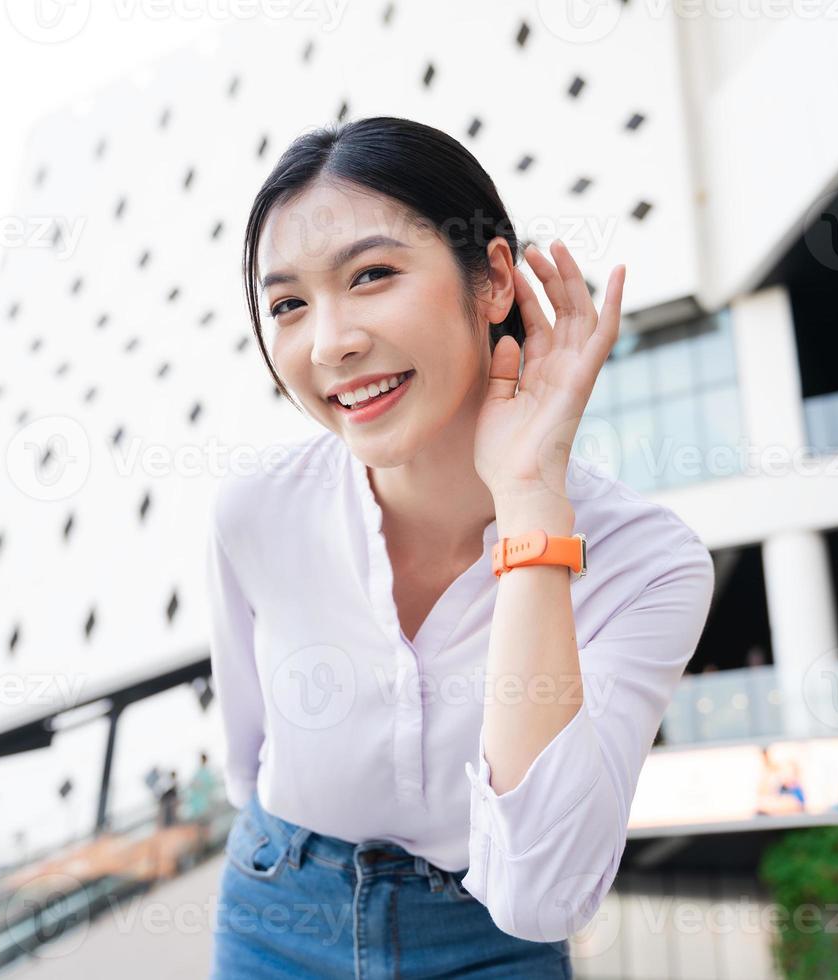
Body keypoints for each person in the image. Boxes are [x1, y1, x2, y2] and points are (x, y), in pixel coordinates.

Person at [206, 116, 715, 977]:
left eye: (372, 275)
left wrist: (529, 500)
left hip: (487, 940)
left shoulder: (647, 564)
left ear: (492, 283)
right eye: (289, 303)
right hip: (275, 911)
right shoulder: (257, 511)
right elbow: (246, 750)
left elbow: (542, 896)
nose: (329, 342)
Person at [184, 751, 220, 838]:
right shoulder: (201, 772)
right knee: (202, 824)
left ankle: (206, 839)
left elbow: (210, 786)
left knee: (204, 824)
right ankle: (205, 839)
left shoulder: (202, 772)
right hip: (200, 805)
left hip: (203, 804)